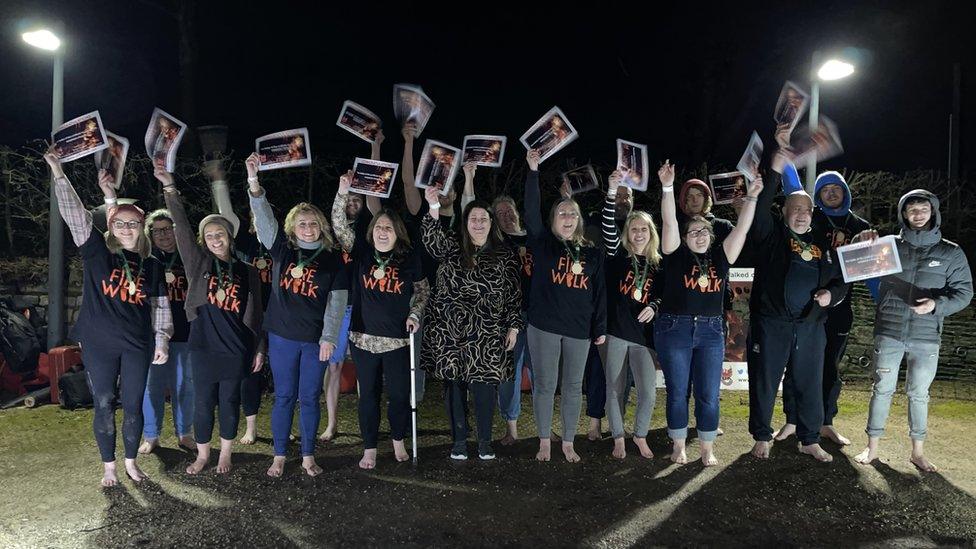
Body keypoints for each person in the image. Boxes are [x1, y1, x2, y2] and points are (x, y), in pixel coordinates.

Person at [44, 148, 172, 487]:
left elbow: (160, 306)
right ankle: (109, 468)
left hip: (136, 344)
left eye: (133, 224)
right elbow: (74, 214)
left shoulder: (153, 264)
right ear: (110, 226)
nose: (127, 228)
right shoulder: (97, 251)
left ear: (141, 228)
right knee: (102, 402)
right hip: (99, 342)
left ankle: (130, 463)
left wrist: (162, 340)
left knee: (132, 404)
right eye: (120, 223)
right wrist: (59, 172)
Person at [854, 190, 972, 472]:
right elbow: (857, 266)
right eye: (912, 210)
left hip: (926, 336)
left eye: (923, 209)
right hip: (889, 331)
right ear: (903, 214)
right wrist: (861, 243)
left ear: (933, 212)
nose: (917, 214)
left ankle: (917, 452)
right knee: (881, 389)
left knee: (919, 394)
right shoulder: (889, 245)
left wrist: (936, 304)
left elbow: (964, 293)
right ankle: (872, 448)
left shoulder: (951, 252)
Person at [156, 167, 264, 475]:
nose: (214, 239)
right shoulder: (198, 263)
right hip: (203, 345)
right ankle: (203, 455)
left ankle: (226, 454)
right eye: (209, 235)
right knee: (203, 402)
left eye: (219, 234)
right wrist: (170, 188)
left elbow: (257, 314)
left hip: (236, 346)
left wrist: (259, 348)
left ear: (229, 236)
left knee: (229, 401)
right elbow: (181, 229)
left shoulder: (248, 271)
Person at [247, 153, 348, 478]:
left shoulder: (332, 260)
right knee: (284, 397)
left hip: (315, 341)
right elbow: (263, 221)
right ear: (293, 226)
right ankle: (278, 456)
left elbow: (336, 302)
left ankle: (307, 456)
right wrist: (254, 183)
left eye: (313, 222)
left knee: (309, 397)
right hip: (281, 337)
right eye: (302, 223)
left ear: (321, 225)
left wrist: (330, 338)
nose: (307, 227)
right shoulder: (282, 249)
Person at [747, 152, 847, 463]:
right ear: (785, 211)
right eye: (795, 209)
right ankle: (762, 436)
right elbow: (761, 208)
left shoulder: (823, 244)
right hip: (772, 323)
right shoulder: (771, 235)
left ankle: (809, 439)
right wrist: (774, 171)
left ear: (812, 213)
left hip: (810, 326)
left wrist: (831, 296)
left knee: (809, 382)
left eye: (806, 210)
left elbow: (841, 281)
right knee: (765, 380)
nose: (801, 215)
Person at [658, 160, 759, 465]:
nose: (700, 235)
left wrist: (752, 196)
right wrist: (666, 187)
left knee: (709, 393)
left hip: (712, 331)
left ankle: (707, 447)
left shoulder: (721, 256)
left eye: (705, 231)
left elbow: (742, 228)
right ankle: (678, 445)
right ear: (685, 236)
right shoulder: (675, 255)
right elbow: (669, 223)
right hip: (675, 328)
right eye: (694, 231)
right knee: (677, 392)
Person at [332, 171, 430, 470]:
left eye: (388, 228)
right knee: (368, 397)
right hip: (363, 338)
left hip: (398, 340)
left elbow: (423, 291)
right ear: (372, 231)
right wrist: (342, 192)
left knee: (400, 395)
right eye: (378, 227)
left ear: (397, 231)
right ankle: (370, 447)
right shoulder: (362, 253)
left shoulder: (409, 258)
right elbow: (338, 226)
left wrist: (414, 314)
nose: (382, 232)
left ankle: (399, 440)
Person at [420, 185, 523, 460]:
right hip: (451, 331)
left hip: (488, 332)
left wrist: (514, 326)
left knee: (484, 387)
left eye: (483, 219)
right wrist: (432, 206)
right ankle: (459, 441)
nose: (478, 223)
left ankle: (485, 441)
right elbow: (431, 241)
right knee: (454, 387)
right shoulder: (451, 246)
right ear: (465, 223)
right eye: (473, 219)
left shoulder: (505, 254)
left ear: (491, 223)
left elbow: (514, 293)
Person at [775, 169, 871, 446]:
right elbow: (792, 189)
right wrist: (785, 160)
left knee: (830, 367)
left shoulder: (860, 227)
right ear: (817, 195)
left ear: (845, 192)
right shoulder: (811, 219)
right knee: (795, 365)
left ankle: (827, 422)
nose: (830, 193)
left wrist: (869, 246)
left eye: (836, 188)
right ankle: (792, 420)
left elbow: (870, 268)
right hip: (806, 306)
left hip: (840, 306)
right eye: (825, 189)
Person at [523, 149, 607, 463]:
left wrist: (599, 328)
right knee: (545, 385)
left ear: (580, 220)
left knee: (573, 387)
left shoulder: (591, 253)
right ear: (553, 219)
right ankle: (545, 441)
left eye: (573, 214)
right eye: (562, 214)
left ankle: (569, 441)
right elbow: (531, 211)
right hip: (543, 326)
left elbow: (599, 294)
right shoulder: (543, 243)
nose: (568, 219)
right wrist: (533, 171)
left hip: (578, 330)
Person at [460, 162, 533, 445]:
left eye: (508, 210)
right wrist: (468, 178)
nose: (504, 215)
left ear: (516, 213)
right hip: (506, 318)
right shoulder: (494, 246)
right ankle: (511, 428)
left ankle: (544, 430)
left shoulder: (534, 239)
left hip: (537, 315)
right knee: (509, 375)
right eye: (498, 212)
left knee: (541, 373)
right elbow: (468, 212)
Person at [320, 130, 383, 442]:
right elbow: (337, 219)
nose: (355, 203)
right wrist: (342, 192)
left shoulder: (374, 233)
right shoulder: (336, 233)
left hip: (366, 308)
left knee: (364, 371)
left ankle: (364, 423)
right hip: (340, 308)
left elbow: (377, 200)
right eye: (351, 199)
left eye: (359, 199)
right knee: (333, 369)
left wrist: (376, 147)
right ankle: (331, 424)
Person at [601, 170, 663, 459]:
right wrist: (611, 192)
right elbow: (607, 230)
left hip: (643, 337)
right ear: (627, 233)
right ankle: (617, 437)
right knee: (615, 389)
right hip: (616, 332)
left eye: (644, 229)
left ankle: (639, 435)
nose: (639, 233)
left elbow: (664, 295)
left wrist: (655, 306)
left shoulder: (657, 264)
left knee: (648, 392)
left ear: (651, 233)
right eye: (634, 229)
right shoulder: (617, 257)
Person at [205, 159, 266, 446]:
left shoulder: (277, 243)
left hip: (272, 314)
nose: (256, 220)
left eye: (260, 216)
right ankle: (244, 427)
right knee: (242, 376)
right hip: (242, 315)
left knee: (259, 374)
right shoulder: (240, 244)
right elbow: (224, 212)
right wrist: (219, 182)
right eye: (252, 216)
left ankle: (254, 425)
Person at [138, 209, 195, 454]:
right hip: (154, 333)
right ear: (149, 233)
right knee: (153, 386)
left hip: (186, 331)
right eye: (157, 230)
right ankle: (151, 435)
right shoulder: (146, 259)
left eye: (168, 228)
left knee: (185, 385)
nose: (163, 235)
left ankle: (185, 433)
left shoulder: (190, 257)